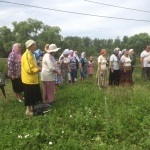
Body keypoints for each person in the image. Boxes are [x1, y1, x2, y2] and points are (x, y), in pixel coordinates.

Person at [21, 40, 42, 116]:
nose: (36, 46)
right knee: (29, 96)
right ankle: (28, 111)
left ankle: (32, 109)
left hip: (33, 79)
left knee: (33, 95)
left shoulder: (31, 54)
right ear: (30, 46)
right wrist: (39, 69)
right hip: (29, 80)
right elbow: (29, 69)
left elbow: (33, 65)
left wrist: (37, 67)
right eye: (34, 45)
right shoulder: (26, 55)